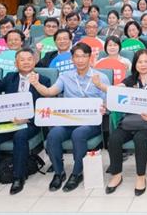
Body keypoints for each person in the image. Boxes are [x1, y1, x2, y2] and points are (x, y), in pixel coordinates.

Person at [31, 44, 110, 192]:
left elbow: (109, 102)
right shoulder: (65, 76)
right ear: (72, 59)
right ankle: (59, 172)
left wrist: (104, 107)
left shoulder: (101, 77)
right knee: (53, 135)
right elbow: (49, 92)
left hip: (91, 122)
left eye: (84, 56)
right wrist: (36, 84)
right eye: (77, 56)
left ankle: (77, 173)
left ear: (90, 57)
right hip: (68, 120)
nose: (80, 60)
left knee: (78, 134)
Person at [0, 49, 49, 195]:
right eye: (22, 60)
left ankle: (18, 177)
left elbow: (45, 107)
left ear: (34, 61)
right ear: (16, 63)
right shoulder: (10, 77)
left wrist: (28, 118)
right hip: (10, 122)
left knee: (20, 136)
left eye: (29, 59)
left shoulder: (43, 80)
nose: (26, 62)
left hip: (30, 122)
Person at [107, 50, 147, 196]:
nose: (143, 65)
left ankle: (141, 177)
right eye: (140, 62)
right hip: (131, 121)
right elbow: (117, 91)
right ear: (135, 64)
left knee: (139, 138)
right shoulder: (130, 80)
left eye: (146, 61)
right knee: (114, 138)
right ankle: (116, 175)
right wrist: (107, 89)